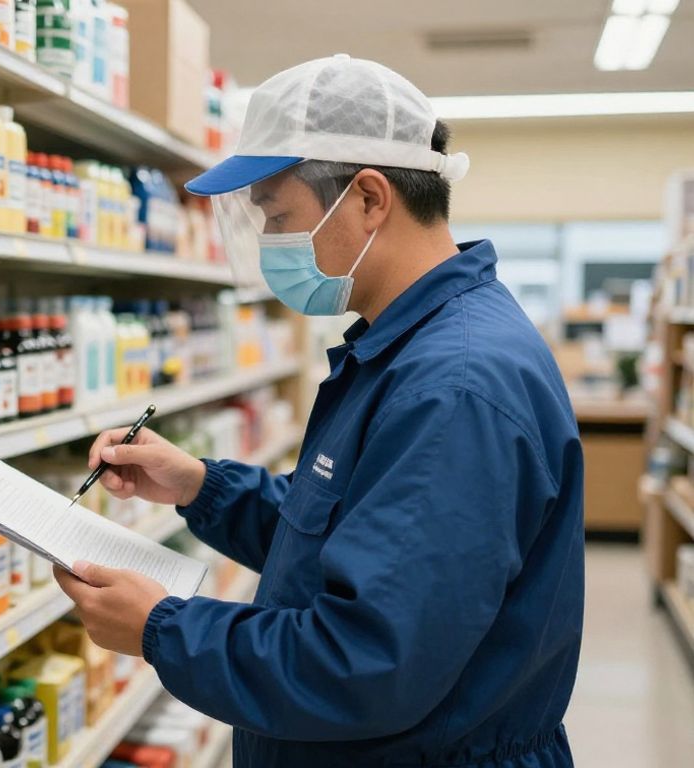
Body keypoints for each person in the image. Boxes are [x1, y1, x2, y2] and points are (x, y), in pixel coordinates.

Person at [55, 54, 584, 767]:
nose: (272, 241)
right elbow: (356, 538)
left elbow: (366, 661)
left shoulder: (453, 385)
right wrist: (200, 485)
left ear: (369, 198)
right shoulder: (406, 350)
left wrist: (160, 628)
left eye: (278, 214)